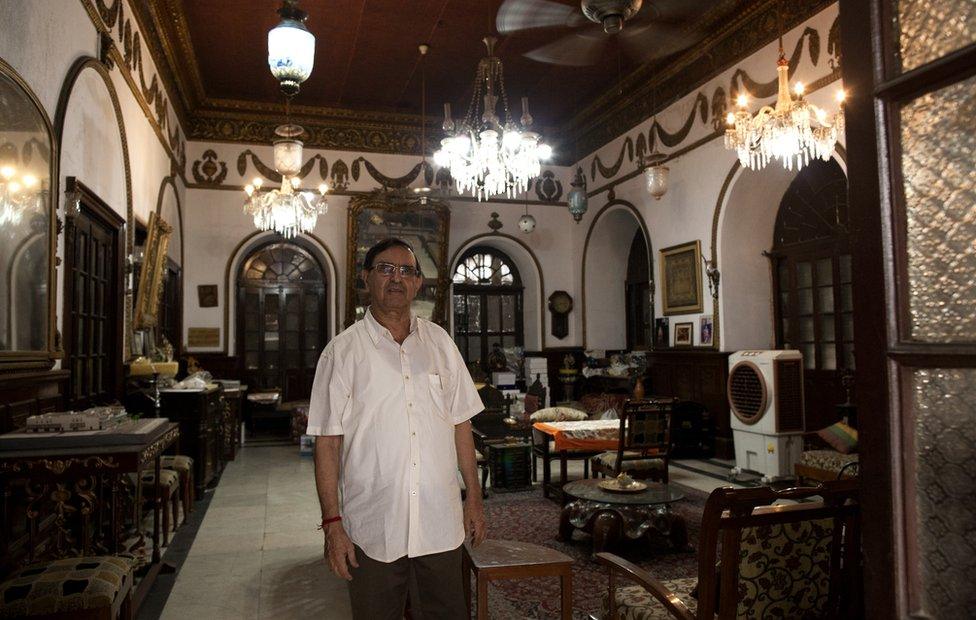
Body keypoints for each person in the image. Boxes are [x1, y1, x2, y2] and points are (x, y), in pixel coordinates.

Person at [306, 237, 486, 619]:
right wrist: (332, 524)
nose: (396, 278)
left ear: (418, 283)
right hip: (374, 527)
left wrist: (473, 498)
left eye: (406, 271)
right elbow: (328, 444)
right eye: (386, 269)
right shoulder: (342, 353)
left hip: (440, 524)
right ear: (366, 278)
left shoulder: (440, 344)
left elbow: (461, 426)